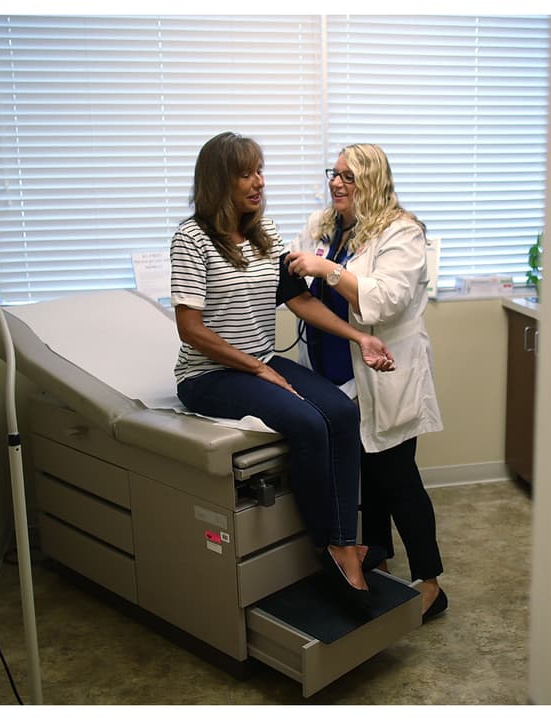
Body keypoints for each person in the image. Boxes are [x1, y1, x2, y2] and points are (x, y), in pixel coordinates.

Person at [170, 132, 394, 611]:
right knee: (309, 422)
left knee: (342, 411)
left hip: (260, 361)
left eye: (260, 171)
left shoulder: (264, 233)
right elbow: (190, 328)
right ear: (219, 181)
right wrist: (257, 368)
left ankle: (343, 541)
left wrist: (359, 337)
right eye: (246, 174)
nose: (259, 182)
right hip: (208, 375)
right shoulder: (191, 239)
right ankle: (333, 548)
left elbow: (300, 299)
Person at [285, 143, 448, 620]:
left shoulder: (402, 232)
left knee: (397, 480)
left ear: (372, 181)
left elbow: (387, 298)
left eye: (348, 176)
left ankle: (431, 584)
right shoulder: (323, 225)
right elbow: (293, 272)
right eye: (334, 173)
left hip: (381, 375)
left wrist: (328, 270)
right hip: (330, 374)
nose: (336, 183)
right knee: (363, 481)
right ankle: (378, 557)